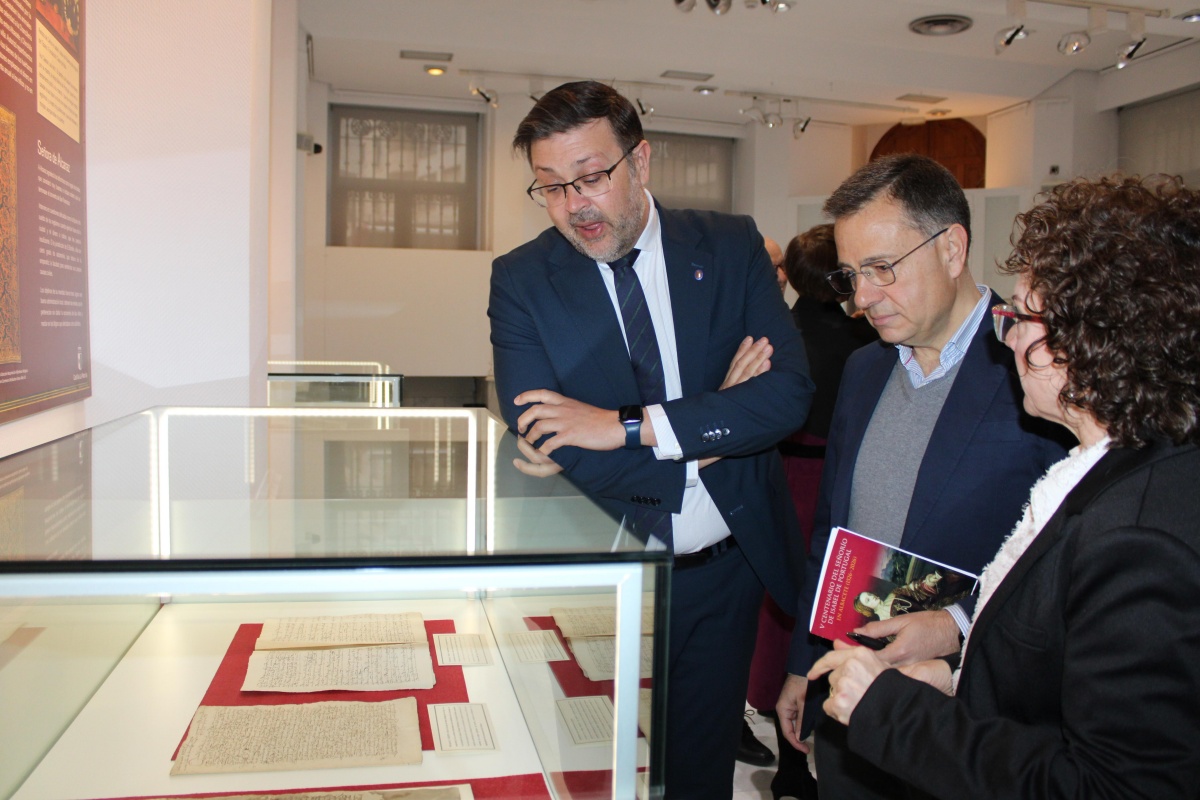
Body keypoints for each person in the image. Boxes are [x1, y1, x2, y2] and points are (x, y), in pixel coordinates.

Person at [808, 174, 1200, 799]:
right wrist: (951, 670)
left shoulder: (1140, 535)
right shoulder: (1119, 471)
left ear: (1100, 338)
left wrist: (896, 706)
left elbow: (1109, 782)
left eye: (1023, 317)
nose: (1009, 335)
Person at [488, 80, 814, 799]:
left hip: (723, 575)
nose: (574, 204)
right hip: (598, 581)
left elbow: (788, 395)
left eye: (591, 177)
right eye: (550, 186)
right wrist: (715, 425)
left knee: (698, 775)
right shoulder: (521, 280)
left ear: (640, 161)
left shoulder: (729, 246)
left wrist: (625, 427)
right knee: (590, 776)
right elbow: (551, 441)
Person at [775, 154, 1070, 799]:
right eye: (852, 275)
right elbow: (833, 532)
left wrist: (957, 624)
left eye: (883, 269)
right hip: (853, 695)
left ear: (952, 249)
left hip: (968, 722)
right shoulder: (865, 370)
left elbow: (1063, 569)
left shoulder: (1036, 373)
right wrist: (802, 664)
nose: (862, 298)